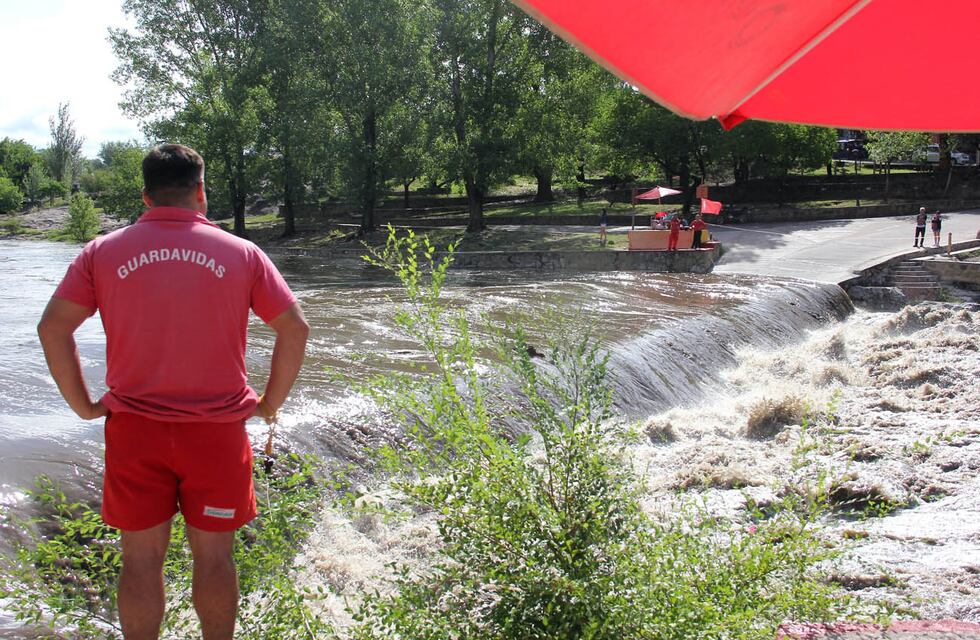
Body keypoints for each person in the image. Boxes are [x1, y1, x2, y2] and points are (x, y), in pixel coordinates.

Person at [37, 144, 310, 640]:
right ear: (201, 192)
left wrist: (83, 405)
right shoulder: (242, 253)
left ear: (145, 194)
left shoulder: (101, 251)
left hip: (136, 433)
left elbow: (53, 328)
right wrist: (270, 404)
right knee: (215, 558)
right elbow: (294, 329)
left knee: (140, 562)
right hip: (217, 436)